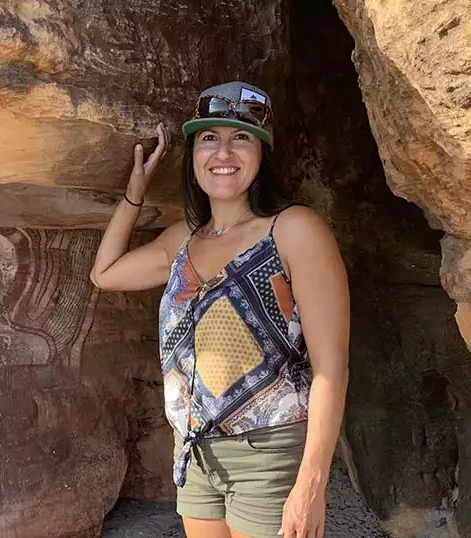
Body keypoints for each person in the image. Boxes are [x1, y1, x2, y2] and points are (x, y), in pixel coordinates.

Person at [90, 81, 349, 538]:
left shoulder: (293, 230)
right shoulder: (182, 240)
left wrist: (312, 482)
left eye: (241, 137)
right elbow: (104, 274)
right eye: (209, 138)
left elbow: (332, 368)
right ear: (193, 156)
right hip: (195, 453)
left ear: (262, 154)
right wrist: (135, 192)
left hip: (266, 454)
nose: (223, 151)